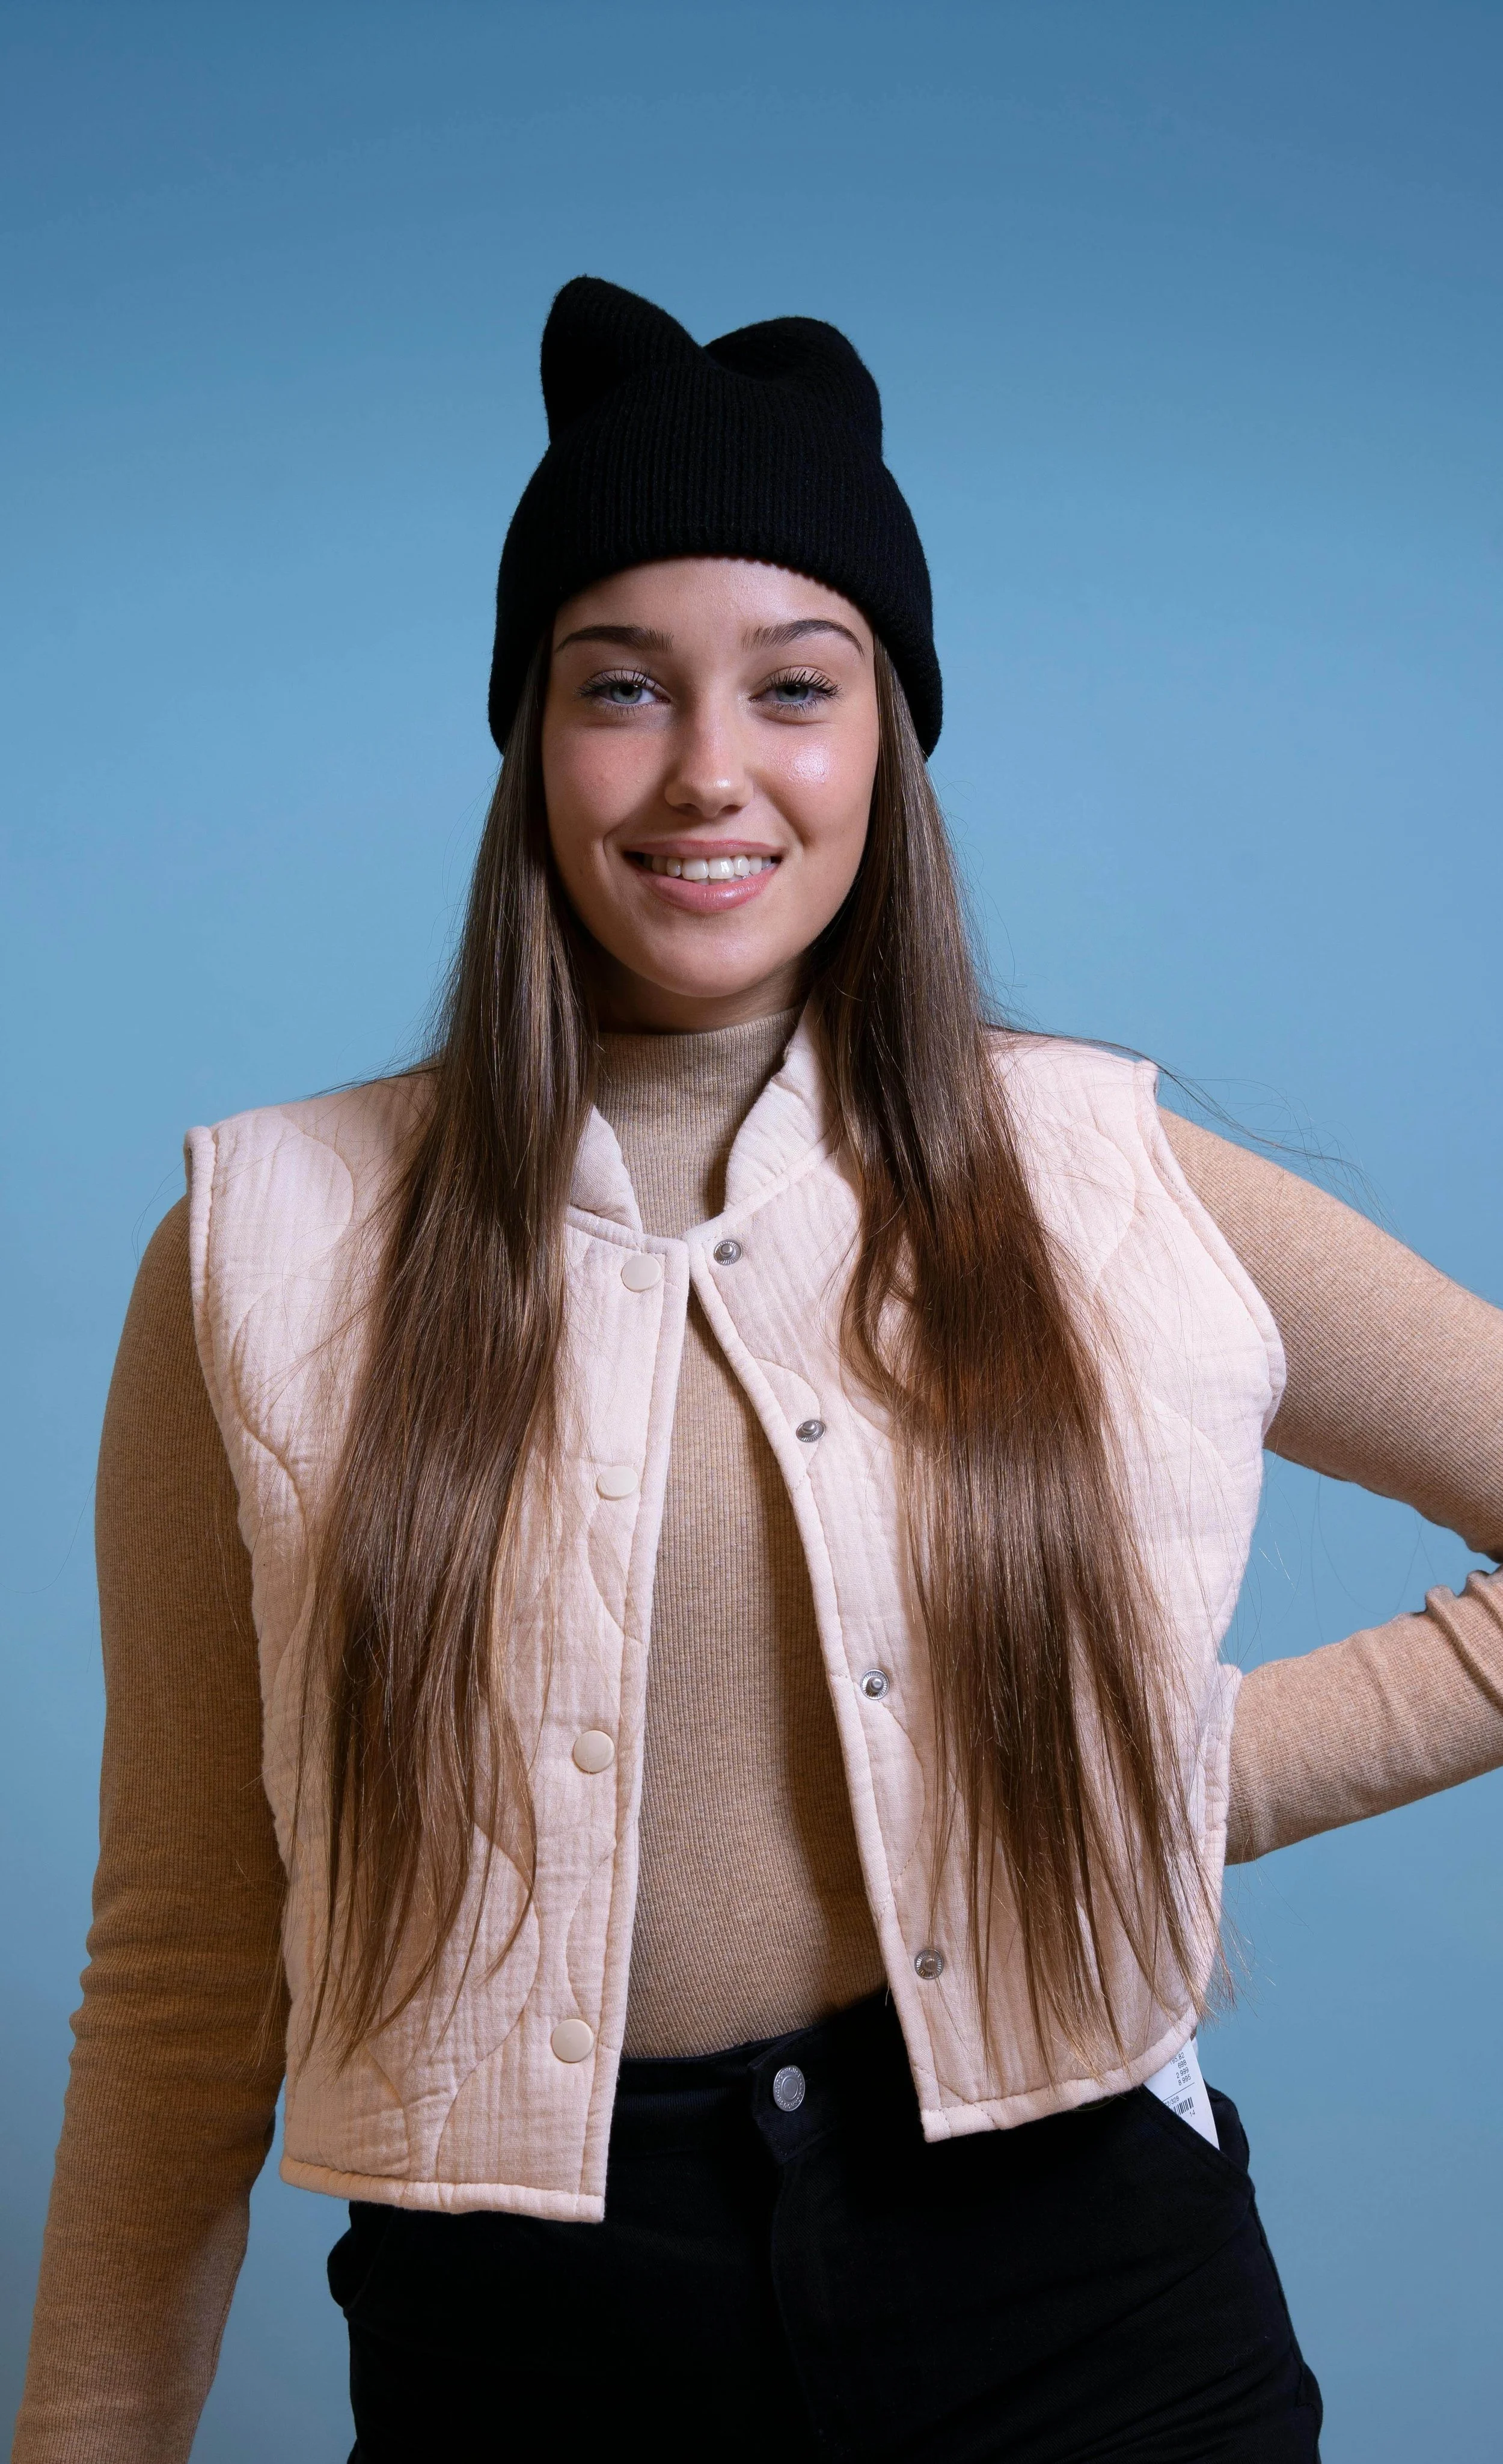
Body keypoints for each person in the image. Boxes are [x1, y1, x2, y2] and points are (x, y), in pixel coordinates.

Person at [14, 277, 1503, 2464]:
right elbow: (183, 1942)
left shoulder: (1097, 1174)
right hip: (526, 2332)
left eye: (792, 689)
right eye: (623, 687)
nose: (709, 770)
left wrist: (1150, 1788)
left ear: (881, 738)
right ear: (530, 732)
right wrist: (85, 2431)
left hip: (1080, 2290)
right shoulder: (263, 1246)